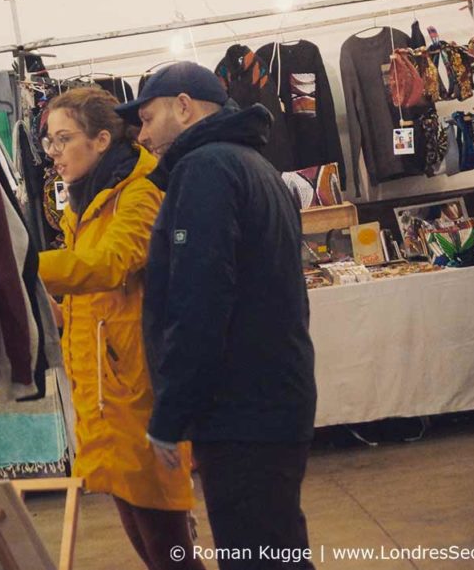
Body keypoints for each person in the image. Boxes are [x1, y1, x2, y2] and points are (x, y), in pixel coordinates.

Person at [116, 61, 318, 570]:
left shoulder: (205, 170)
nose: (141, 137)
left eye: (147, 118)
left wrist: (170, 414)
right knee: (276, 551)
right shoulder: (254, 166)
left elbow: (198, 301)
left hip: (242, 410)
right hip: (268, 399)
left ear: (184, 107)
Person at [37, 87, 204, 570]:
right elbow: (100, 303)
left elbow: (110, 264)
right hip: (104, 396)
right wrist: (58, 316)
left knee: (169, 549)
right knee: (150, 543)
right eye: (50, 142)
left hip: (139, 394)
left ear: (102, 139)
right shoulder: (83, 203)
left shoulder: (140, 192)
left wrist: (27, 267)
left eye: (64, 139)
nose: (55, 154)